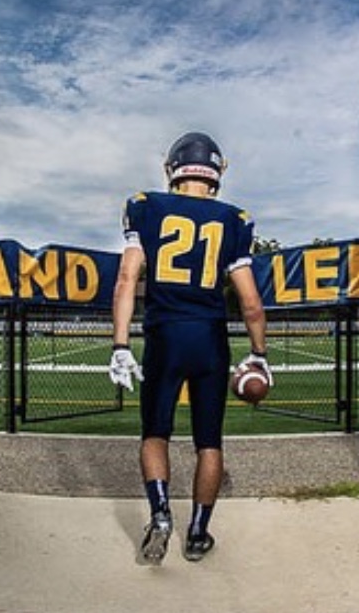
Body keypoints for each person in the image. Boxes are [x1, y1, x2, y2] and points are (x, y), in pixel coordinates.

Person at [109, 131, 271, 565]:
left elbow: (127, 280)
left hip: (164, 334)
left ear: (172, 168)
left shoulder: (145, 206)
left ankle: (161, 513)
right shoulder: (234, 219)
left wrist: (120, 344)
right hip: (210, 338)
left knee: (155, 432)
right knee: (209, 441)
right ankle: (198, 533)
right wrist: (259, 354)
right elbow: (251, 304)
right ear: (217, 171)